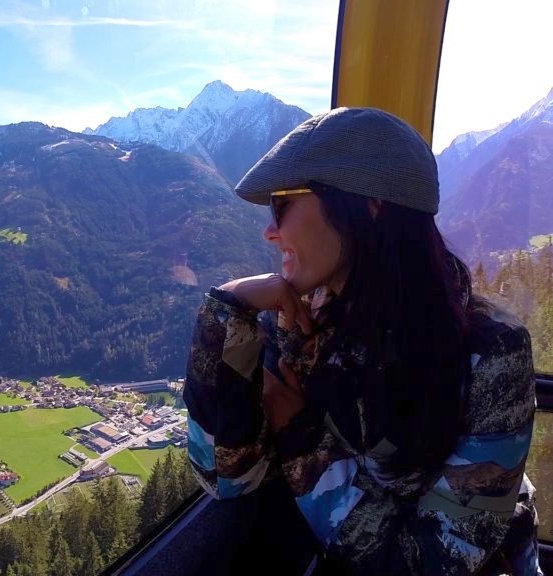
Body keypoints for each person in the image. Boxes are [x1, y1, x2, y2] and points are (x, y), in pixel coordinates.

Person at [183, 107, 543, 575]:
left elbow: (432, 563)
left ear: (368, 208)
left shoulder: (492, 352)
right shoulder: (293, 320)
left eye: (281, 205)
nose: (270, 231)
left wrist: (298, 435)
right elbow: (225, 477)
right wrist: (227, 310)